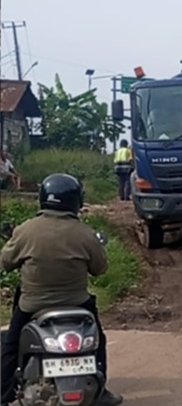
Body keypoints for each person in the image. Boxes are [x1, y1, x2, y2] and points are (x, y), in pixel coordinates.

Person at [0, 174, 124, 406]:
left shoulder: (26, 231)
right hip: (78, 304)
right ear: (76, 201)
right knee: (98, 341)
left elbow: (6, 262)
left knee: (10, 344)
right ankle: (101, 391)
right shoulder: (85, 233)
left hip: (32, 305)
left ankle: (4, 394)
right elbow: (99, 269)